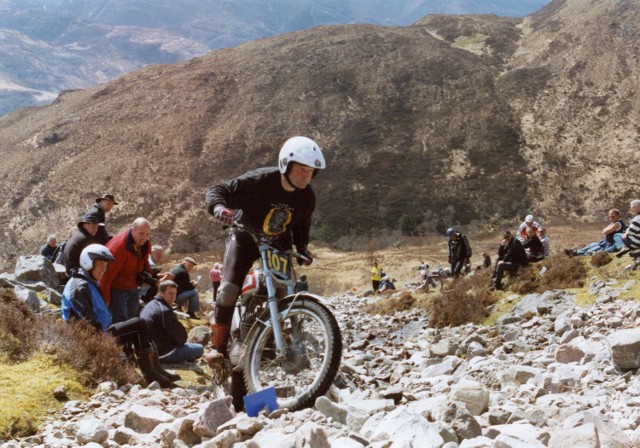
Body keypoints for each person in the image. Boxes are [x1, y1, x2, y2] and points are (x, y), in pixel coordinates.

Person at [205, 135, 324, 359]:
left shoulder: (307, 197)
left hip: (277, 244)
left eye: (310, 172)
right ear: (286, 165)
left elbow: (301, 223)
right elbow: (219, 189)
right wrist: (219, 208)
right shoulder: (260, 180)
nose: (306, 176)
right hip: (245, 236)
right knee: (229, 289)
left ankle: (272, 340)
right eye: (301, 169)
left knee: (283, 294)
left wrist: (302, 247)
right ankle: (217, 347)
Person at [61, 244, 178, 387]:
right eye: (100, 264)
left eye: (105, 265)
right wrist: (111, 348)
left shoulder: (87, 280)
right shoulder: (79, 287)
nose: (103, 269)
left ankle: (155, 370)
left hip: (101, 330)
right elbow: (89, 321)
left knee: (139, 324)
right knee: (138, 325)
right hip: (90, 337)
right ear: (88, 263)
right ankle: (149, 372)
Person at [99, 217, 153, 323]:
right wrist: (105, 298)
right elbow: (105, 276)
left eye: (147, 234)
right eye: (141, 233)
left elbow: (145, 260)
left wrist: (149, 275)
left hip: (133, 288)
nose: (144, 237)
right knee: (119, 323)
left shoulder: (145, 244)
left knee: (132, 321)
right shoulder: (118, 248)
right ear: (133, 230)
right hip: (117, 290)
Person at [140, 280, 204, 364]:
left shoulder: (150, 304)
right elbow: (181, 338)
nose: (173, 296)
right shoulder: (164, 311)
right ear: (160, 293)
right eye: (170, 293)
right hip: (163, 354)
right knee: (200, 348)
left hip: (149, 349)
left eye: (175, 293)